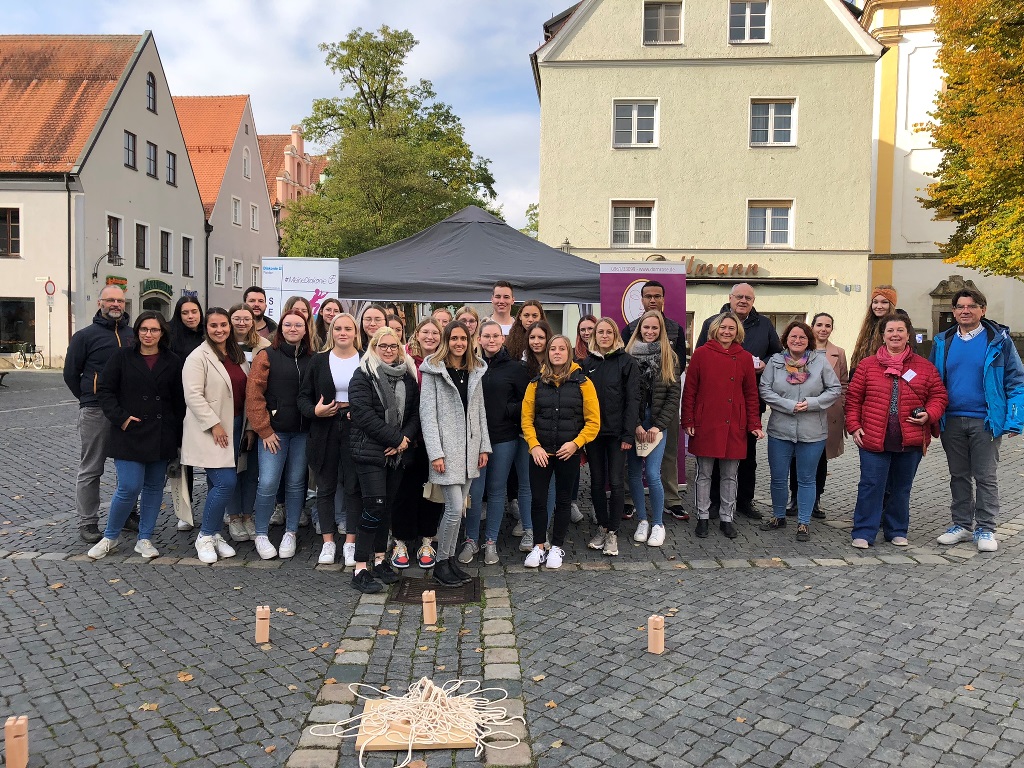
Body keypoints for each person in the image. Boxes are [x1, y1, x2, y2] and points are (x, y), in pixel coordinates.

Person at [931, 289, 1024, 553]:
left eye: (971, 306)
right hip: (952, 420)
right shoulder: (942, 342)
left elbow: (1016, 381)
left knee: (985, 477)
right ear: (953, 311)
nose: (965, 311)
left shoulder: (999, 341)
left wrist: (1015, 419)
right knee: (958, 476)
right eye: (959, 306)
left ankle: (986, 527)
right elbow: (933, 382)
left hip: (986, 421)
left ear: (983, 310)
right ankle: (961, 525)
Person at [87, 311, 185, 559]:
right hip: (129, 431)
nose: (148, 334)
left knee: (153, 488)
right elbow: (105, 391)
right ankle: (110, 536)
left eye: (154, 330)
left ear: (162, 333)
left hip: (161, 433)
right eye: (144, 329)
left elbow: (178, 401)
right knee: (129, 486)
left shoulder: (173, 361)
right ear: (137, 332)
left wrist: (176, 434)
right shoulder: (121, 357)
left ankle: (145, 538)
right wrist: (121, 419)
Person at [846, 314, 948, 548]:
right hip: (873, 437)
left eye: (900, 330)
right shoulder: (867, 365)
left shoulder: (924, 367)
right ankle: (863, 531)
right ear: (882, 336)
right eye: (890, 330)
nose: (895, 335)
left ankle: (896, 530)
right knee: (871, 485)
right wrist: (854, 426)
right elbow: (853, 399)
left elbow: (939, 396)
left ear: (908, 334)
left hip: (909, 439)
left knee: (901, 489)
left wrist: (930, 414)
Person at [695, 283, 781, 521]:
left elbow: (777, 353)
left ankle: (744, 501)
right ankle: (712, 503)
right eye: (739, 297)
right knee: (712, 454)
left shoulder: (764, 324)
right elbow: (701, 356)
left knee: (747, 456)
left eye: (748, 298)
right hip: (714, 404)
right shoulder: (712, 322)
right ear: (730, 298)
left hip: (748, 401)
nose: (743, 300)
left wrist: (765, 362)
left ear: (753, 301)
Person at [348, 327, 420, 593]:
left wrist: (404, 440)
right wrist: (395, 439)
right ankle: (359, 568)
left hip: (396, 453)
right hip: (370, 451)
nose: (389, 350)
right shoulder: (363, 375)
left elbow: (414, 414)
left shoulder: (407, 377)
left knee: (386, 507)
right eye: (383, 346)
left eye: (393, 346)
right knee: (373, 506)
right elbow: (363, 414)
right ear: (374, 348)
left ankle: (379, 561)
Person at [63, 284, 137, 543]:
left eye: (120, 300)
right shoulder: (85, 336)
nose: (116, 304)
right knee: (92, 468)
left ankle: (128, 514)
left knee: (128, 466)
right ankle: (88, 522)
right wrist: (87, 397)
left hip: (128, 409)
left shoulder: (132, 334)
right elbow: (71, 373)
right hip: (96, 410)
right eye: (110, 300)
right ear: (100, 303)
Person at [419, 321, 490, 587]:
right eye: (454, 338)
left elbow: (480, 412)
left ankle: (449, 561)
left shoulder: (475, 371)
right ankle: (440, 564)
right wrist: (435, 453)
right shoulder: (433, 372)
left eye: (463, 338)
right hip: (446, 453)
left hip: (470, 450)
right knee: (454, 508)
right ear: (446, 340)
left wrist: (484, 446)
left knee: (458, 510)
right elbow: (428, 416)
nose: (459, 343)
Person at [521, 335, 600, 568]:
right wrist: (534, 445)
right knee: (538, 500)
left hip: (568, 452)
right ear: (547, 353)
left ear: (569, 352)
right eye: (553, 348)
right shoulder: (535, 384)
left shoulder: (583, 383)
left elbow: (593, 421)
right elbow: (527, 419)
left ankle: (557, 547)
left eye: (562, 348)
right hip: (540, 453)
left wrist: (577, 443)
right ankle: (538, 546)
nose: (557, 352)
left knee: (564, 500)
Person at [758, 321, 842, 541]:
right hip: (780, 429)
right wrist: (787, 405)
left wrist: (813, 403)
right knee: (777, 477)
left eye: (802, 338)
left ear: (809, 341)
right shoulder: (775, 362)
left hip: (812, 430)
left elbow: (835, 389)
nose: (797, 341)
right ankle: (778, 516)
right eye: (793, 337)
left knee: (806, 478)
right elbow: (764, 390)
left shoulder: (820, 362)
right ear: (785, 339)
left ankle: (803, 522)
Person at [683, 312, 764, 538]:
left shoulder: (745, 357)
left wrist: (754, 423)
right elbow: (690, 390)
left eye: (731, 328)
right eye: (723, 328)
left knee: (730, 475)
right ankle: (703, 516)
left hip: (734, 424)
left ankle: (727, 518)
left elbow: (750, 393)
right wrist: (688, 419)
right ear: (715, 330)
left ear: (737, 331)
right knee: (704, 474)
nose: (726, 332)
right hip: (706, 422)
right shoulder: (701, 354)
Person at [246, 311, 314, 559]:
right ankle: (261, 533)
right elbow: (254, 395)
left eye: (299, 325)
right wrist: (264, 429)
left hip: (302, 432)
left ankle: (291, 532)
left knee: (296, 484)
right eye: (288, 324)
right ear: (281, 329)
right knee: (268, 483)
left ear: (306, 330)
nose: (293, 328)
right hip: (274, 433)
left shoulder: (312, 358)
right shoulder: (267, 355)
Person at [180, 308, 246, 563]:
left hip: (237, 425)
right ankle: (205, 535)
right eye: (213, 325)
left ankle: (216, 532)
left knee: (215, 484)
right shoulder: (198, 357)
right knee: (225, 482)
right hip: (213, 430)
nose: (219, 330)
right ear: (205, 328)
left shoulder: (236, 354)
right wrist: (214, 424)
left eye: (223, 325)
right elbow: (193, 395)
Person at [462, 321, 531, 565]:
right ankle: (471, 539)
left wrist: (508, 411)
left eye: (495, 336)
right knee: (474, 491)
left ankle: (490, 541)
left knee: (497, 490)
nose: (491, 340)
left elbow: (527, 401)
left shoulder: (516, 368)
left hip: (504, 438)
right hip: (475, 440)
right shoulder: (470, 366)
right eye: (486, 336)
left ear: (502, 339)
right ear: (478, 339)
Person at [298, 312, 362, 566]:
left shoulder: (366, 358)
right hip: (324, 428)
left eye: (348, 328)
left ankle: (350, 542)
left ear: (356, 333)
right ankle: (327, 542)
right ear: (331, 332)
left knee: (354, 487)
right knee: (325, 487)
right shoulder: (319, 361)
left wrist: (361, 412)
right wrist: (316, 411)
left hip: (356, 429)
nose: (343, 332)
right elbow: (302, 397)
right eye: (338, 328)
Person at [622, 281, 689, 521]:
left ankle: (672, 499)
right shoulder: (630, 329)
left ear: (663, 299)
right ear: (641, 300)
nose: (652, 300)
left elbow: (677, 366)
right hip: (638, 410)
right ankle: (629, 500)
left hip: (664, 404)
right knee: (632, 458)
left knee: (668, 453)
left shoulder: (675, 329)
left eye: (657, 296)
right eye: (648, 296)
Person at [582, 318, 641, 555]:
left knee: (616, 482)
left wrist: (628, 434)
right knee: (596, 482)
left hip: (617, 434)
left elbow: (633, 400)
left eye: (609, 332)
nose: (604, 336)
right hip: (594, 434)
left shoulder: (627, 362)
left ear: (615, 335)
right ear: (594, 336)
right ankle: (602, 527)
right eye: (600, 332)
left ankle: (613, 532)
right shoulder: (587, 364)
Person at [785, 312, 849, 519]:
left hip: (829, 413)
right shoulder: (799, 350)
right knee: (797, 456)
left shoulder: (839, 352)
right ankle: (795, 497)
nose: (823, 329)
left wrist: (843, 407)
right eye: (819, 324)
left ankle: (815, 499)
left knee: (821, 458)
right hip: (802, 411)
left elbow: (844, 384)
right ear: (811, 327)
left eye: (827, 325)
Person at [624, 311, 680, 546]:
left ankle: (658, 523)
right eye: (645, 328)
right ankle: (643, 520)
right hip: (634, 422)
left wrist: (658, 426)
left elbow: (673, 395)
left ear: (661, 331)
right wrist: (634, 424)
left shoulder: (670, 357)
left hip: (657, 423)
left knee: (653, 474)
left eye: (654, 328)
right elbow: (625, 395)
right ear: (639, 329)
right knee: (634, 474)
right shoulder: (628, 356)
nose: (649, 332)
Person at [394, 317, 445, 569]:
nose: (430, 336)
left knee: (433, 493)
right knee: (405, 491)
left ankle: (427, 539)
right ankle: (401, 541)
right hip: (407, 437)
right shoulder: (404, 362)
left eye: (435, 333)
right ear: (417, 334)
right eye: (425, 331)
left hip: (436, 439)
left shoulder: (445, 362)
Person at [226, 303, 270, 539]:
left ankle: (247, 516)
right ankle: (233, 516)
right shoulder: (221, 345)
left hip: (254, 416)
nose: (242, 322)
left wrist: (255, 425)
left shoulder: (264, 346)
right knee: (231, 469)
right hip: (229, 416)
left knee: (252, 470)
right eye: (237, 318)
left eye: (246, 318)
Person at [167, 296, 205, 532]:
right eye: (185, 313)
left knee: (211, 458)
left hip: (206, 404)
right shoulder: (170, 337)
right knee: (183, 462)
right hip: (179, 406)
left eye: (194, 311)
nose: (191, 316)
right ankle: (184, 511)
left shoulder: (208, 335)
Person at [850, 285, 899, 372]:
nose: (878, 306)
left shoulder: (900, 327)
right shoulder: (868, 326)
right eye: (875, 302)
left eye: (884, 302)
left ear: (891, 305)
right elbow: (857, 356)